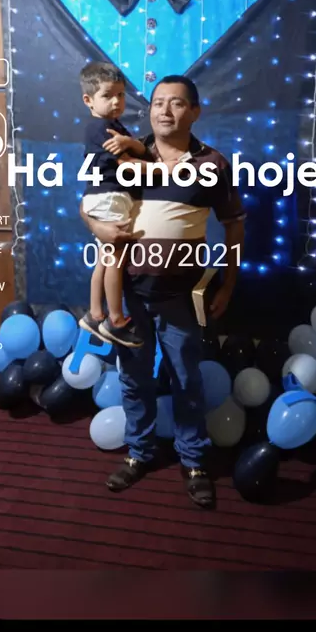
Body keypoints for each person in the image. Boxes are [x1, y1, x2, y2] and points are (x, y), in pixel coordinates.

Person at [81, 75, 245, 508]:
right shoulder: (124, 152)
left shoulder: (213, 164)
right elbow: (90, 200)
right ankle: (139, 452)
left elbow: (234, 226)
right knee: (133, 379)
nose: (164, 111)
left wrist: (229, 283)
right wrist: (97, 225)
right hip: (129, 295)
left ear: (195, 111)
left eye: (176, 103)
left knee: (186, 378)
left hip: (180, 297)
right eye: (157, 103)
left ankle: (194, 461)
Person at [79, 60, 158, 349]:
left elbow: (135, 150)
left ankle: (94, 314)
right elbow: (129, 164)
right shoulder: (102, 128)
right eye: (108, 95)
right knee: (115, 258)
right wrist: (168, 169)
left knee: (105, 257)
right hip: (109, 196)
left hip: (105, 197)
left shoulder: (112, 127)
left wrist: (132, 144)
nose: (116, 102)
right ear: (88, 100)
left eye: (121, 95)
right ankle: (115, 319)